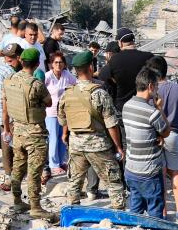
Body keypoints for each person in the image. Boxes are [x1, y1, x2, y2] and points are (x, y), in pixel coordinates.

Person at [57, 50, 126, 210]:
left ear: (76, 70)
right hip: (98, 144)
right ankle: (118, 211)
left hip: (76, 144)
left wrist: (65, 134)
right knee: (113, 181)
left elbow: (62, 119)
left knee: (74, 181)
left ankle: (72, 210)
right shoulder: (99, 93)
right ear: (90, 67)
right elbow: (111, 124)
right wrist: (118, 146)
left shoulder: (67, 94)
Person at [2, 47, 55, 221]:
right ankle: (35, 206)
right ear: (37, 64)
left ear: (21, 61)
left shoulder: (9, 80)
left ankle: (17, 200)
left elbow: (5, 106)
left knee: (18, 166)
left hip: (17, 131)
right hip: (35, 133)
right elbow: (49, 102)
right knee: (34, 170)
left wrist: (6, 128)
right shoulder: (36, 84)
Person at [147, 55, 178, 222]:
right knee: (176, 172)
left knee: (161, 174)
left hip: (156, 135)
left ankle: (164, 212)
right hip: (174, 134)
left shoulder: (151, 91)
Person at [122, 67, 168, 217]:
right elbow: (166, 131)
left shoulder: (126, 106)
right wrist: (159, 108)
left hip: (131, 169)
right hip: (149, 172)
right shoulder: (152, 112)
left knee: (135, 210)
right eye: (157, 86)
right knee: (155, 212)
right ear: (150, 86)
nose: (157, 90)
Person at [98, 28, 153, 116]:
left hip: (122, 108)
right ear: (133, 41)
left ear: (120, 43)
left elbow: (103, 76)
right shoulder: (149, 57)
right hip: (144, 106)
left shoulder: (115, 59)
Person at [0, 44, 22, 191]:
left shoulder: (0, 70)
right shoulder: (10, 73)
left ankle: (10, 175)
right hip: (9, 116)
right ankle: (11, 177)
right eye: (7, 57)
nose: (8, 60)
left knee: (9, 147)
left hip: (6, 115)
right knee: (10, 147)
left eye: (11, 57)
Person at [44, 51, 76, 177]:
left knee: (63, 137)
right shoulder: (47, 76)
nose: (58, 64)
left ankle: (61, 161)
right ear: (51, 64)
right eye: (56, 62)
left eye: (60, 62)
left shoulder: (66, 74)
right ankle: (53, 164)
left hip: (64, 111)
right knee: (52, 138)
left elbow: (76, 84)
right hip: (51, 111)